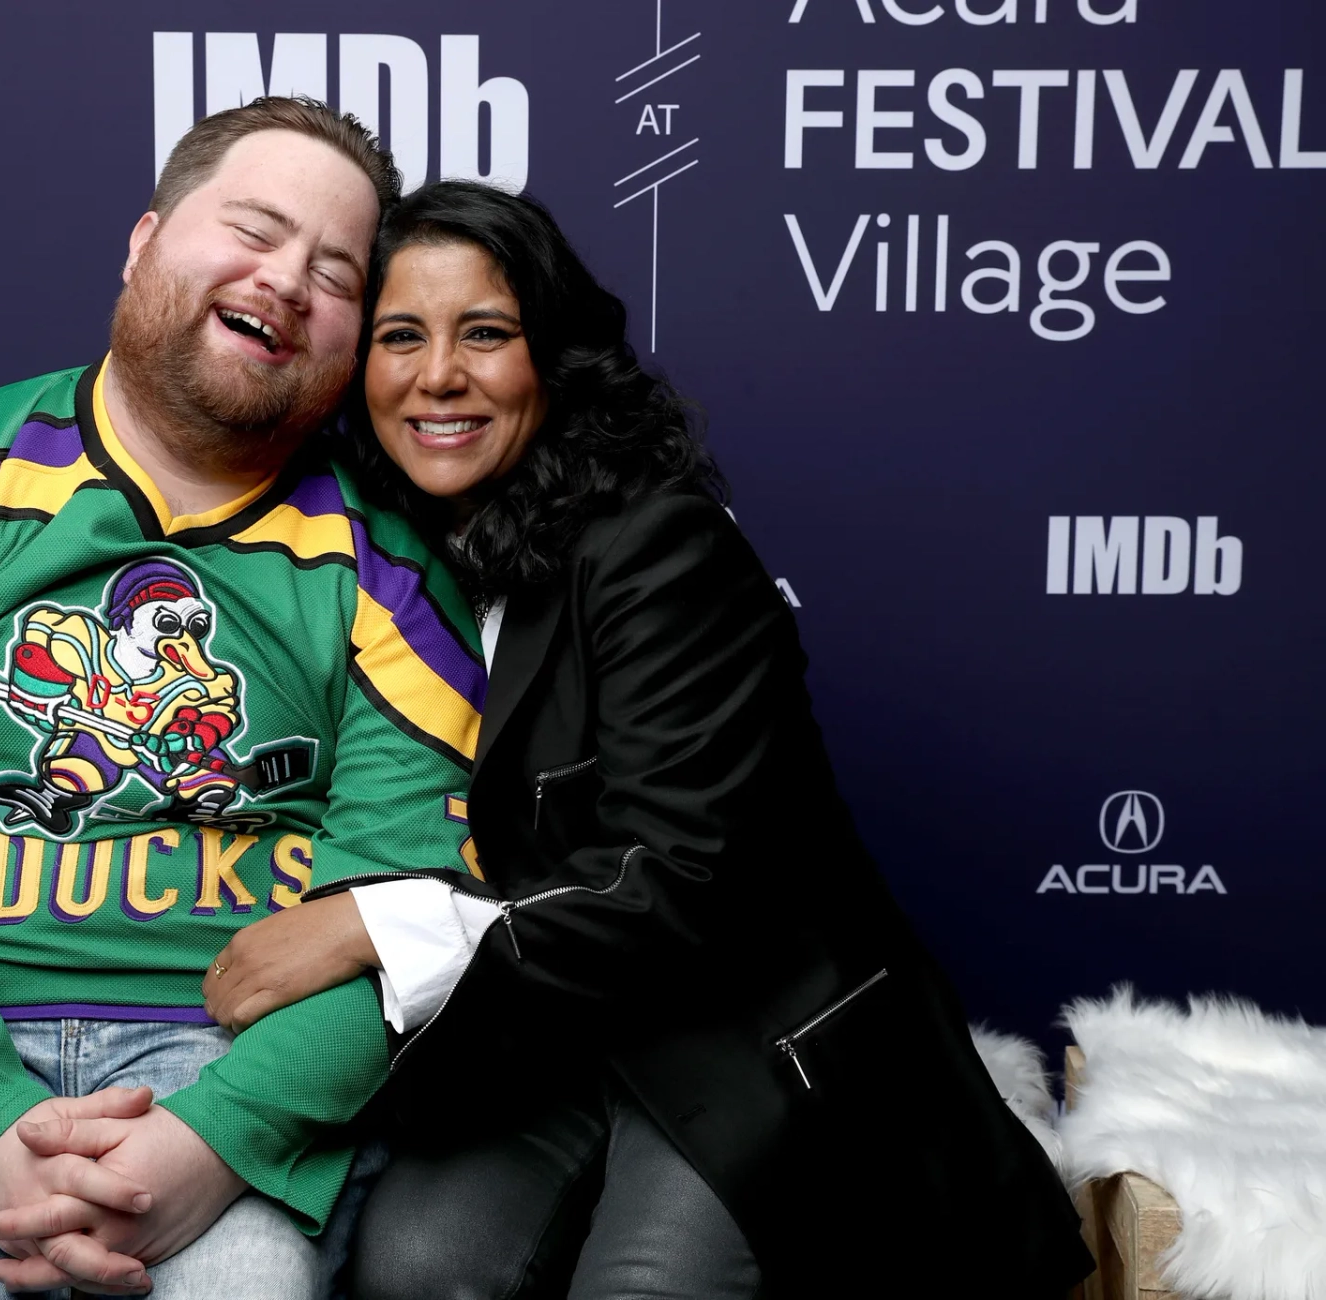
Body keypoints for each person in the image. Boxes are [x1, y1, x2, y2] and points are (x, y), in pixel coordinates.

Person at [203, 181, 1096, 1299]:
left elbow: (676, 884)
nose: (438, 376)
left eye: (487, 333)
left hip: (733, 1021)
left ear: (556, 359)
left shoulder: (660, 545)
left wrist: (370, 926)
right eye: (400, 337)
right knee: (418, 1267)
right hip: (538, 1033)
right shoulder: (369, 556)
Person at [0, 100, 489, 1300]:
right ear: (145, 242)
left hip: (228, 1060)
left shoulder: (393, 575)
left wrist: (216, 1138)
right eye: (253, 227)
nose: (286, 279)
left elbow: (406, 914)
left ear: (353, 337)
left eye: (334, 271)